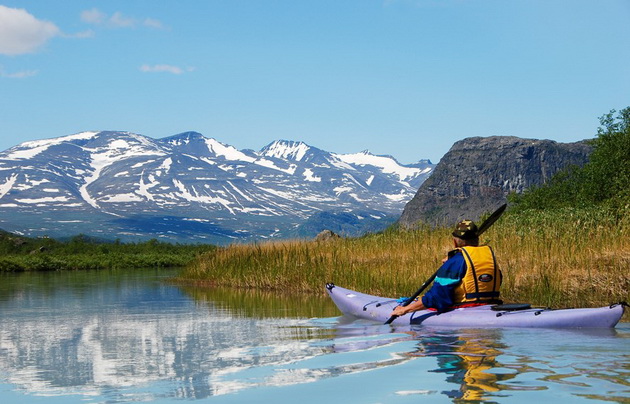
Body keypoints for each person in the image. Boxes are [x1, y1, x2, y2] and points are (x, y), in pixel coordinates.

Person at [390, 219, 502, 316]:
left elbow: (437, 298)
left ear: (455, 242)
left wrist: (405, 309)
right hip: (491, 307)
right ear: (477, 241)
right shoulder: (489, 259)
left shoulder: (454, 263)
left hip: (464, 311)